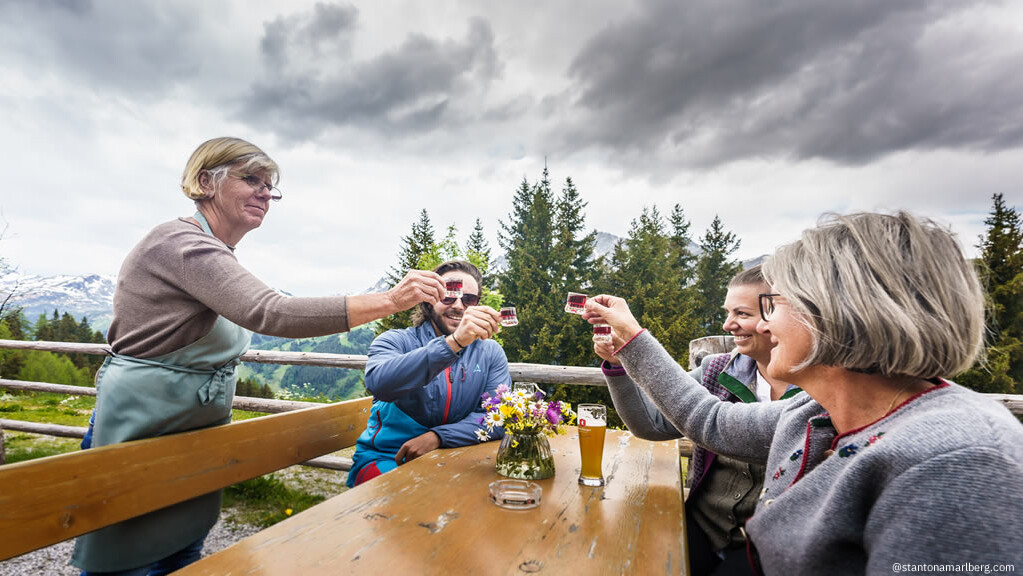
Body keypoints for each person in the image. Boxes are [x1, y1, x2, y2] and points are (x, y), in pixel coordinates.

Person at [71, 137, 447, 576]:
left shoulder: (215, 252)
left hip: (189, 433)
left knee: (180, 555)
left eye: (271, 186)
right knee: (127, 562)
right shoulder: (180, 243)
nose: (265, 193)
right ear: (205, 181)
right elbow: (270, 311)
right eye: (251, 179)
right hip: (141, 426)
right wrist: (389, 300)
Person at [583, 212, 1023, 575]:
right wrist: (630, 338)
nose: (764, 325)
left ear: (839, 314)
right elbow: (707, 421)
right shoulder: (815, 412)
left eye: (772, 306)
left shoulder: (963, 462)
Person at [594, 265, 799, 576]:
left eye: (742, 314)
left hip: (771, 547)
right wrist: (617, 366)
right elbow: (650, 425)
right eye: (728, 312)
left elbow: (708, 420)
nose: (729, 325)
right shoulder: (716, 370)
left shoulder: (820, 393)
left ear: (779, 315)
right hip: (701, 525)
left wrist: (633, 339)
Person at [348, 259, 509, 487]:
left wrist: (438, 437)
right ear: (428, 301)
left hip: (455, 458)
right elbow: (379, 383)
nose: (459, 305)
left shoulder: (491, 352)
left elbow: (498, 416)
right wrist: (453, 344)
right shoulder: (396, 340)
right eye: (448, 295)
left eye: (469, 299)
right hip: (388, 459)